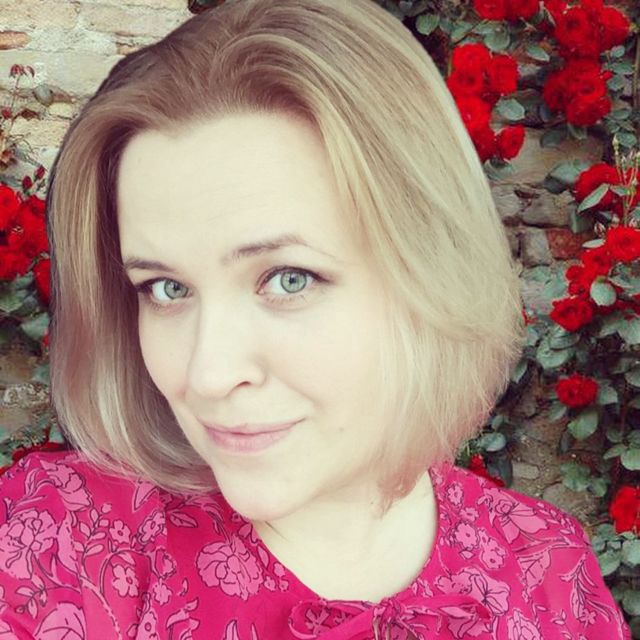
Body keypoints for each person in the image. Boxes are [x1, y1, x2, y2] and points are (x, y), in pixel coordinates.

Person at [0, 0, 631, 638]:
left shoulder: (548, 571)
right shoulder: (62, 543)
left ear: (430, 274)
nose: (208, 374)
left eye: (288, 279)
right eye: (166, 288)